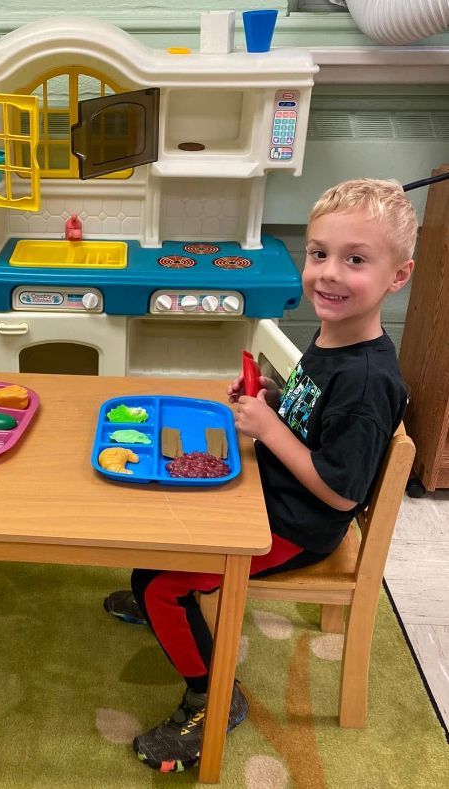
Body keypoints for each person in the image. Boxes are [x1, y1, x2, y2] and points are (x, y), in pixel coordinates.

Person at [104, 178, 416, 772]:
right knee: (154, 527)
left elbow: (341, 487)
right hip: (268, 494)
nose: (328, 273)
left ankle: (212, 700)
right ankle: (168, 611)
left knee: (157, 579)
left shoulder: (369, 382)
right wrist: (273, 400)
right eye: (320, 253)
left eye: (355, 260)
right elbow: (314, 419)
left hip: (297, 524)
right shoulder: (335, 338)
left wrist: (270, 431)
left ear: (397, 277)